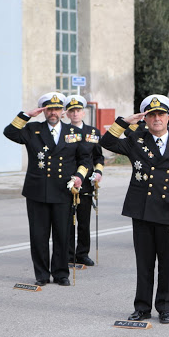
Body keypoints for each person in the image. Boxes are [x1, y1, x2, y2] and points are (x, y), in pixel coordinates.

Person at [100, 94, 169, 323]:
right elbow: (106, 142)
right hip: (142, 210)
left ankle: (165, 308)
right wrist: (125, 121)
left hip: (168, 211)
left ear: (168, 117)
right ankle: (142, 307)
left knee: (166, 263)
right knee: (144, 263)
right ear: (146, 119)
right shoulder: (137, 141)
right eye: (152, 115)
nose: (157, 119)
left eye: (161, 114)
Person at [3, 92, 90, 286]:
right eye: (49, 109)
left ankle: (61, 273)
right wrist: (27, 115)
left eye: (57, 109)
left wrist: (79, 176)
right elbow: (9, 132)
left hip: (62, 191)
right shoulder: (33, 129)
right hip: (37, 191)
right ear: (44, 111)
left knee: (62, 234)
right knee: (39, 235)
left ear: (63, 112)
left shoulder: (73, 132)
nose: (53, 113)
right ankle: (41, 274)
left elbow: (85, 159)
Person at [64, 95, 104, 266]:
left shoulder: (93, 132)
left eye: (78, 111)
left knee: (84, 221)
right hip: (67, 182)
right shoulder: (63, 131)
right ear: (67, 114)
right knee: (67, 222)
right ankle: (67, 255)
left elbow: (99, 157)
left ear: (83, 113)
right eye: (72, 111)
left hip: (86, 183)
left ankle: (82, 253)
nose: (75, 114)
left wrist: (99, 172)